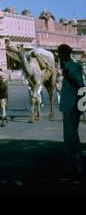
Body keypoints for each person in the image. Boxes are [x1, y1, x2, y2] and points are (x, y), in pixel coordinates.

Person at [58, 43, 85, 178]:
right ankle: (71, 165)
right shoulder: (67, 67)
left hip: (72, 106)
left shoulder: (73, 67)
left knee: (72, 136)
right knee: (68, 137)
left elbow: (81, 86)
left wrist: (81, 107)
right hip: (68, 106)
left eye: (60, 53)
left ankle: (78, 164)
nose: (59, 56)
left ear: (65, 54)